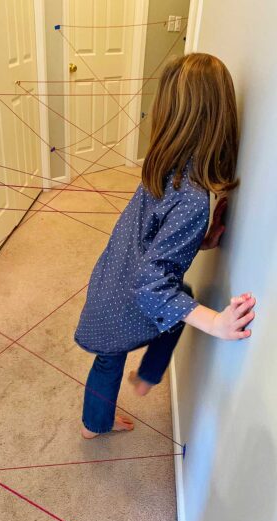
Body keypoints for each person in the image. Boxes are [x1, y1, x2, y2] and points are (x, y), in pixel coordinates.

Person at [74, 53, 256, 439]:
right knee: (168, 315)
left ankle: (128, 391)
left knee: (113, 355)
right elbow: (151, 286)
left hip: (111, 278)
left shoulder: (162, 165)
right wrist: (214, 323)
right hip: (127, 294)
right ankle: (100, 420)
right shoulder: (191, 198)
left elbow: (151, 238)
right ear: (220, 119)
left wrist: (201, 240)